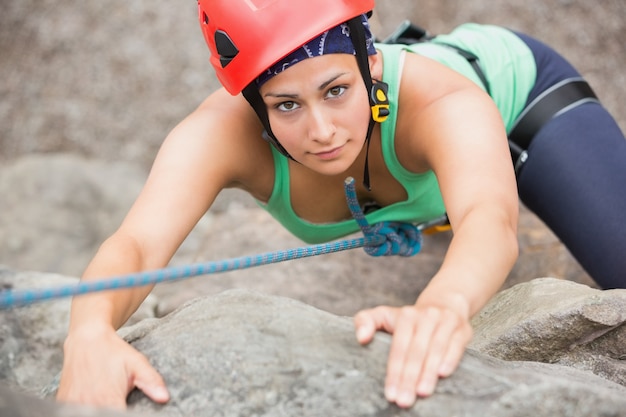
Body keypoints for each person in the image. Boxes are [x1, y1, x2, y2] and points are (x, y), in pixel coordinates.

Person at [57, 0, 626, 410]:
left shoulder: (443, 101)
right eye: (285, 106)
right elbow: (137, 242)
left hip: (519, 97)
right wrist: (87, 332)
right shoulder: (218, 136)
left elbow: (491, 221)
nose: (322, 130)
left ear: (371, 63)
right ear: (253, 105)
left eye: (336, 90)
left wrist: (442, 307)